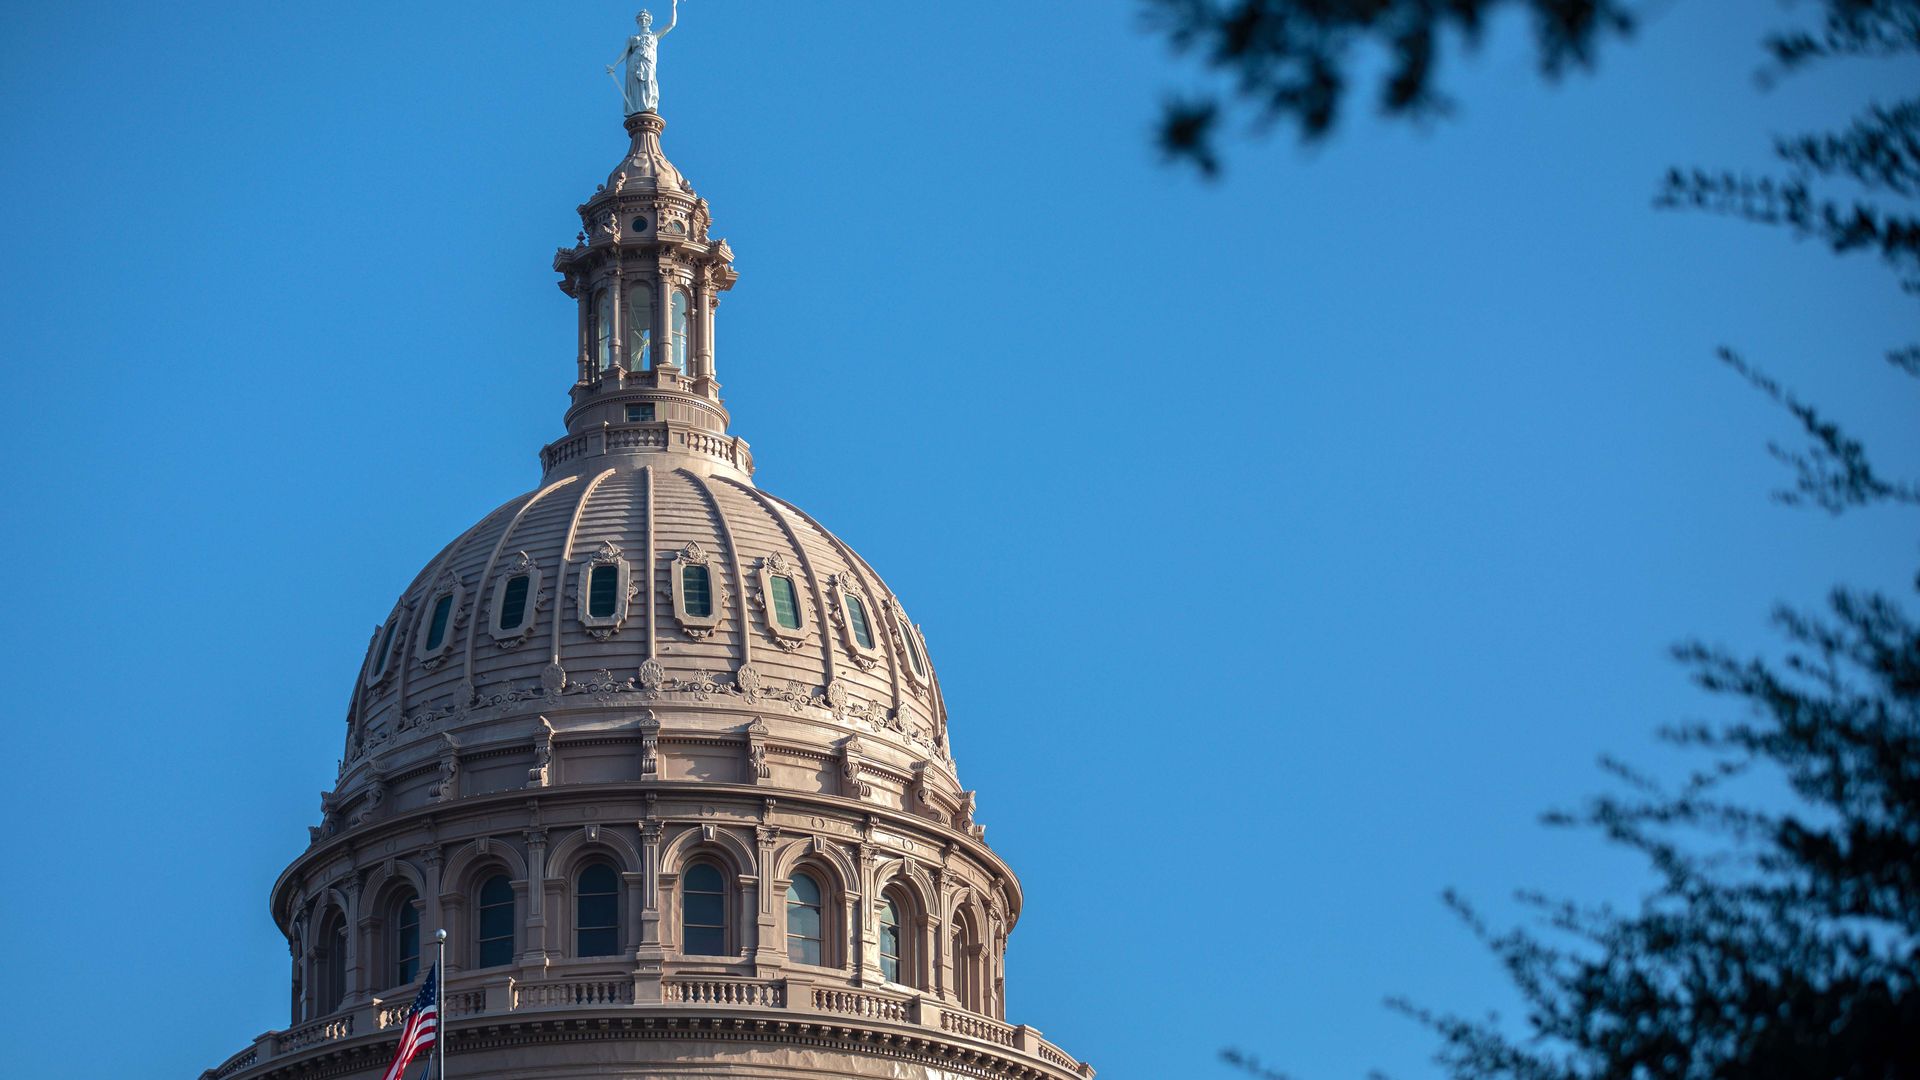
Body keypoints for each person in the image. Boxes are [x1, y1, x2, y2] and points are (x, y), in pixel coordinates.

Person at [607, 3, 678, 116]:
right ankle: (637, 108)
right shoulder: (633, 38)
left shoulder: (654, 36)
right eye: (641, 19)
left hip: (648, 62)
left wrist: (674, 5)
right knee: (636, 88)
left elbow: (671, 24)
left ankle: (648, 106)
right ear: (638, 22)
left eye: (645, 19)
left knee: (649, 81)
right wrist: (614, 65)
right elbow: (624, 53)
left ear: (649, 21)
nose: (643, 21)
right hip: (634, 63)